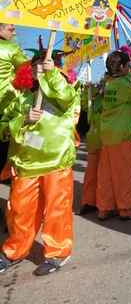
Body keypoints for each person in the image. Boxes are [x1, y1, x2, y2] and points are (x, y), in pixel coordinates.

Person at [0, 51, 75, 276]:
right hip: (26, 162)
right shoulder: (20, 97)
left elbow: (67, 98)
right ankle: (14, 250)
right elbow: (3, 129)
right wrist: (22, 119)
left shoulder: (63, 89)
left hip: (56, 160)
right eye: (37, 66)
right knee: (19, 211)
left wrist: (51, 75)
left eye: (46, 65)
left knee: (56, 210)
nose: (40, 69)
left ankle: (58, 252)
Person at [96, 51, 131, 221]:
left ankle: (106, 208)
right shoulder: (123, 84)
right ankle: (126, 207)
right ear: (122, 66)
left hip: (108, 135)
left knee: (107, 175)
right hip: (121, 135)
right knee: (124, 173)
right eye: (128, 65)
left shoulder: (108, 83)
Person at [0, 23, 27, 178]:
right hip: (4, 106)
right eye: (11, 30)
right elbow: (27, 70)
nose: (14, 33)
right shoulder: (12, 49)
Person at [79, 75, 107, 215]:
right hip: (94, 141)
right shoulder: (96, 98)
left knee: (106, 176)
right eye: (104, 81)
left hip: (110, 141)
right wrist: (86, 92)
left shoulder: (118, 96)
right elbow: (85, 107)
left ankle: (105, 204)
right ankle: (89, 202)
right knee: (91, 175)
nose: (104, 84)